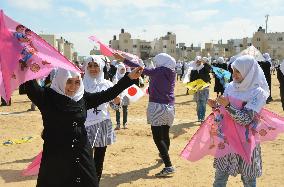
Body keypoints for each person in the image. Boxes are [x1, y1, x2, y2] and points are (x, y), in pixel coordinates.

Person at [24, 66, 142, 187]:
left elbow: (108, 94)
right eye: (69, 81)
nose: (73, 87)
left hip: (82, 154)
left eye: (77, 82)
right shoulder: (46, 97)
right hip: (56, 156)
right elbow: (29, 85)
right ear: (60, 79)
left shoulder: (82, 98)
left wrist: (129, 78)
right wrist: (26, 63)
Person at [208, 55, 269, 187]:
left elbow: (246, 119)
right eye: (233, 70)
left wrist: (228, 106)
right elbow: (223, 113)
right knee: (219, 178)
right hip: (227, 139)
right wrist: (216, 107)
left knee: (248, 180)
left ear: (248, 71)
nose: (234, 74)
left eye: (238, 71)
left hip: (246, 141)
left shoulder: (258, 93)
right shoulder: (231, 86)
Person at [114, 52, 176, 177]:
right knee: (165, 134)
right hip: (170, 106)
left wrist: (124, 59)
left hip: (157, 106)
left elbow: (140, 68)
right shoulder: (172, 72)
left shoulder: (159, 71)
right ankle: (165, 156)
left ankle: (169, 165)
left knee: (157, 137)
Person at [83, 56, 120, 183]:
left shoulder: (108, 84)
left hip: (102, 125)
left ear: (101, 67)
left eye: (96, 65)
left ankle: (95, 182)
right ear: (86, 67)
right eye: (90, 65)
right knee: (84, 158)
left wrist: (117, 101)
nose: (93, 69)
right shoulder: (79, 84)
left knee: (99, 159)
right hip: (84, 126)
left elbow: (115, 107)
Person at [190, 56, 211, 122]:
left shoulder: (204, 68)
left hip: (205, 87)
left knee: (203, 102)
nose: (198, 62)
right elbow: (192, 80)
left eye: (200, 61)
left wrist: (205, 62)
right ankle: (199, 117)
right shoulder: (193, 69)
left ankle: (202, 117)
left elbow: (209, 68)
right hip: (197, 88)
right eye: (197, 61)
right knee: (198, 103)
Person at [113, 63, 130, 130]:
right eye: (121, 69)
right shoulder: (115, 77)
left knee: (125, 109)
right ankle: (118, 124)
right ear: (118, 69)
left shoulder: (127, 76)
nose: (122, 70)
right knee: (118, 109)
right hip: (118, 95)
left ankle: (125, 123)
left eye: (123, 69)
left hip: (125, 95)